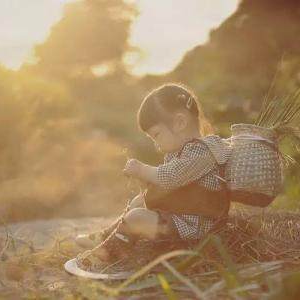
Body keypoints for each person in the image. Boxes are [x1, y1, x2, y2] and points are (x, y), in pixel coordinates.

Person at [76, 83, 231, 269]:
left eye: (156, 135)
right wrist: (146, 184)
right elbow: (169, 188)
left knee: (136, 218)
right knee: (137, 203)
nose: (156, 145)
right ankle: (107, 236)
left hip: (197, 229)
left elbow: (170, 177)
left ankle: (107, 256)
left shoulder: (202, 152)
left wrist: (142, 169)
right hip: (181, 217)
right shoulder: (182, 150)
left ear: (180, 123)